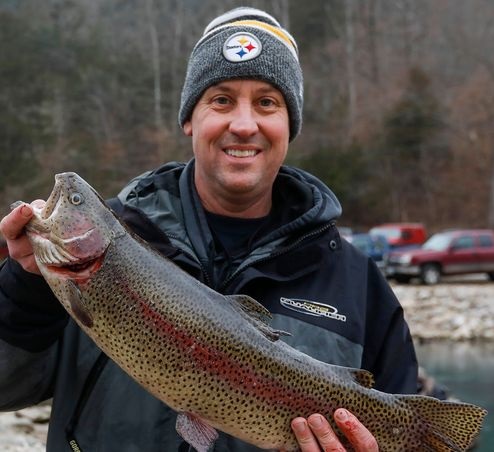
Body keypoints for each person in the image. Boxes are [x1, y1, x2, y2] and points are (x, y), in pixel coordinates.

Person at [0, 7, 417, 452]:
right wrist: (24, 288)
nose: (243, 124)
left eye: (267, 103)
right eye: (221, 100)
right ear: (189, 119)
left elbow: (412, 426)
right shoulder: (105, 255)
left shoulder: (357, 282)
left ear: (288, 126)